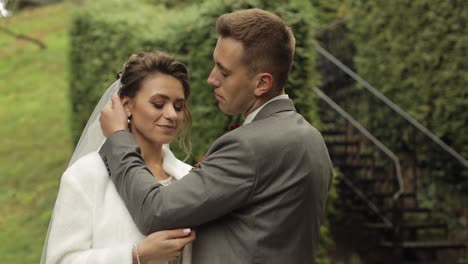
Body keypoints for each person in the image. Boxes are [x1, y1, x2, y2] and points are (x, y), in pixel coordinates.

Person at [99, 8, 333, 264]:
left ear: (262, 84)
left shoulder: (249, 146)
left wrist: (119, 137)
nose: (211, 79)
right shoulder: (312, 140)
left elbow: (155, 210)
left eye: (224, 72)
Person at [41, 51, 196, 264]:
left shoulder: (188, 176)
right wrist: (136, 255)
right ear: (126, 105)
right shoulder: (85, 175)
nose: (172, 115)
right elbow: (60, 261)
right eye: (159, 104)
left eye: (178, 106)